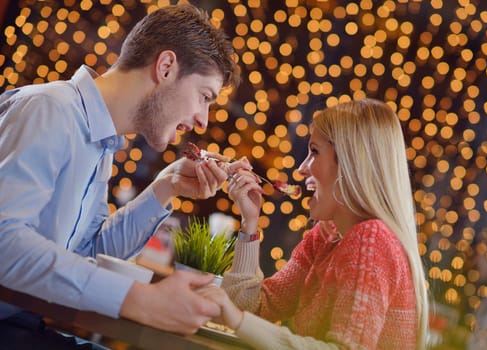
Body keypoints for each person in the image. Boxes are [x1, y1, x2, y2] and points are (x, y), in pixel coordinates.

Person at [0, 3, 246, 348]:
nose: (203, 119)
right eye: (204, 97)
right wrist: (139, 300)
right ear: (166, 67)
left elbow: (88, 254)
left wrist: (165, 187)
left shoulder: (100, 145)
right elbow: (4, 245)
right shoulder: (50, 109)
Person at [197, 99, 430, 349]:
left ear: (350, 164)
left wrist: (239, 319)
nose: (301, 169)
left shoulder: (370, 240)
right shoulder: (326, 237)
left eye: (314, 152)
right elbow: (252, 307)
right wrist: (249, 222)